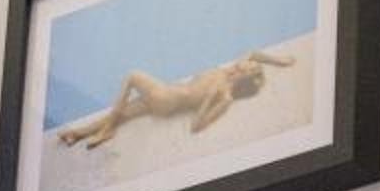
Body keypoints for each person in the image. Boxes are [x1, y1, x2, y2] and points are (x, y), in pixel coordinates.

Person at [57, 47, 295, 148]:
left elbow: (196, 126)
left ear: (244, 76)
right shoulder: (227, 71)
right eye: (247, 63)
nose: (244, 62)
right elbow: (254, 53)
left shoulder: (225, 95)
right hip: (165, 97)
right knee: (123, 113)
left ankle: (107, 130)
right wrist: (280, 60)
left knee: (132, 76)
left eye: (247, 67)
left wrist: (207, 100)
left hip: (166, 98)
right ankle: (78, 133)